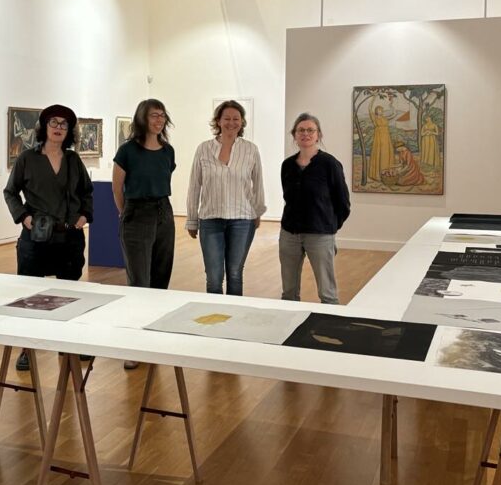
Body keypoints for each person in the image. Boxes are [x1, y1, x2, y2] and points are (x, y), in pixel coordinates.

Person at [3, 104, 93, 370]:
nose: (58, 128)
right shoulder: (27, 159)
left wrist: (85, 215)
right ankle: (27, 349)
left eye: (64, 124)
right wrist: (23, 217)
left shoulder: (73, 160)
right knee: (31, 296)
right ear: (44, 127)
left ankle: (68, 344)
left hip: (69, 237)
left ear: (69, 131)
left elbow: (87, 192)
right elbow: (10, 192)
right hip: (36, 238)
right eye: (54, 122)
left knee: (69, 292)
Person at [113, 98, 175, 369]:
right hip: (136, 213)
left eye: (162, 115)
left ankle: (153, 338)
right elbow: (117, 188)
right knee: (139, 281)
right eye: (154, 115)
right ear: (142, 118)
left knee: (161, 277)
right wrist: (127, 214)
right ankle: (135, 344)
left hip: (164, 213)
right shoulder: (127, 151)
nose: (159, 120)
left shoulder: (168, 151)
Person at [185, 100, 265, 296]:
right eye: (226, 118)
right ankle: (215, 314)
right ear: (218, 121)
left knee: (235, 274)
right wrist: (192, 220)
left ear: (242, 122)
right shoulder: (203, 149)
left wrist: (257, 212)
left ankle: (234, 313)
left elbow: (258, 184)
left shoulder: (251, 149)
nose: (231, 122)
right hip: (210, 219)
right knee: (214, 278)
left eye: (236, 118)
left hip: (242, 220)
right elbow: (194, 185)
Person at [280, 113, 351, 306]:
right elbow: (288, 198)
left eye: (310, 130)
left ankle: (330, 322)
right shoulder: (287, 165)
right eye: (301, 130)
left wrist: (330, 227)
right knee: (288, 292)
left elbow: (343, 202)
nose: (306, 134)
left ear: (318, 134)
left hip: (320, 234)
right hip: (289, 234)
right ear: (294, 135)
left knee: (327, 293)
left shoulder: (330, 164)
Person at [368, 104, 396, 182]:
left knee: (386, 153)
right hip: (379, 137)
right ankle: (378, 175)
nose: (380, 111)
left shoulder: (385, 118)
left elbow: (394, 114)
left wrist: (392, 105)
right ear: (376, 111)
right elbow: (369, 108)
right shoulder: (374, 118)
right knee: (379, 152)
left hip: (386, 137)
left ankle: (387, 173)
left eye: (381, 110)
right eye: (379, 110)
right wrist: (373, 98)